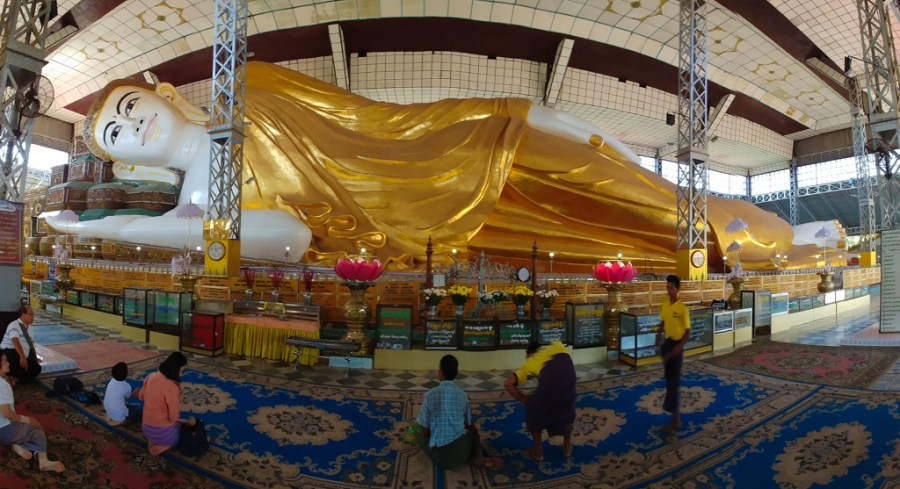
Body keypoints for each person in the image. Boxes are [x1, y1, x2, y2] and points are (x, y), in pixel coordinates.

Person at [51, 61, 802, 271]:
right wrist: (117, 227)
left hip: (467, 154)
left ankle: (776, 233)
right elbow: (290, 239)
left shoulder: (251, 84)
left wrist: (509, 110)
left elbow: (378, 122)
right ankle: (772, 246)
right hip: (446, 236)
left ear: (163, 93)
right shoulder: (199, 211)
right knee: (644, 244)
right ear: (126, 158)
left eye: (127, 105)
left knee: (641, 194)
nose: (129, 124)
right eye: (116, 134)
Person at [503, 341, 576, 461]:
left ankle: (538, 452)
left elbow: (508, 383)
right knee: (567, 410)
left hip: (550, 389)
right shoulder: (558, 346)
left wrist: (522, 398)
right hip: (570, 386)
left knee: (532, 411)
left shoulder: (530, 362)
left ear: (529, 354)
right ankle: (567, 447)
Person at [414, 354, 483, 469]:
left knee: (420, 436)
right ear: (456, 373)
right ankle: (478, 454)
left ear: (441, 373)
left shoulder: (430, 395)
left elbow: (425, 432)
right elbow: (469, 423)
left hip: (440, 457)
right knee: (472, 432)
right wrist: (475, 437)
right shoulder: (462, 395)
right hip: (461, 453)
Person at [0, 354, 65, 472]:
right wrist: (28, 420)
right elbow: (7, 414)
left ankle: (18, 446)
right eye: (4, 362)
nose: (8, 363)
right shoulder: (2, 385)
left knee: (22, 428)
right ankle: (43, 460)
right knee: (36, 429)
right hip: (3, 431)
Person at [139, 352, 195, 455]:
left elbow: (141, 396)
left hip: (146, 428)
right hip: (163, 433)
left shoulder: (150, 376)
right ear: (174, 369)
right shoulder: (171, 387)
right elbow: (173, 417)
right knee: (182, 432)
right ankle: (163, 446)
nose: (181, 374)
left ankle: (153, 440)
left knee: (178, 423)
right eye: (181, 371)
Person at [656, 274, 691, 432]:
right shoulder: (665, 303)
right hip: (667, 344)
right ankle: (675, 417)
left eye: (671, 288)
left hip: (676, 346)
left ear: (678, 289)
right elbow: (663, 321)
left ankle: (676, 420)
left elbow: (688, 333)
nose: (668, 291)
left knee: (673, 382)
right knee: (669, 380)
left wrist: (679, 347)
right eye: (667, 288)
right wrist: (658, 334)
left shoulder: (682, 308)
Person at [1, 305, 41, 386]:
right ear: (23, 314)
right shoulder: (14, 325)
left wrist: (34, 357)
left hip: (22, 355)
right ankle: (11, 376)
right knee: (13, 358)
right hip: (9, 353)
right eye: (31, 314)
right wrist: (22, 357)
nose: (33, 316)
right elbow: (15, 341)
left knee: (36, 368)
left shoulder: (30, 328)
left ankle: (15, 379)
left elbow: (30, 345)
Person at [104, 362, 142, 426]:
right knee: (139, 413)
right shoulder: (126, 386)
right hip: (118, 415)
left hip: (108, 409)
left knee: (130, 407)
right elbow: (127, 398)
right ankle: (122, 421)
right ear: (126, 374)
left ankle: (112, 417)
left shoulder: (112, 381)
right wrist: (134, 393)